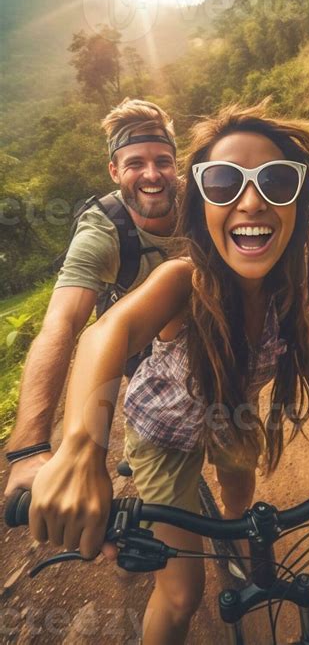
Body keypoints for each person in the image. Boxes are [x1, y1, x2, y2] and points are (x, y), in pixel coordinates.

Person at [28, 102, 309, 645]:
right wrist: (79, 449)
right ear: (202, 206)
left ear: (300, 200)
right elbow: (103, 334)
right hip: (161, 436)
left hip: (234, 411)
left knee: (240, 496)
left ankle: (236, 550)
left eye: (277, 181)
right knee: (181, 595)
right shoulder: (182, 279)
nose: (252, 201)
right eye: (223, 182)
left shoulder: (302, 274)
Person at [5, 98, 179, 497]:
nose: (152, 174)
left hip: (202, 331)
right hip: (139, 345)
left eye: (163, 161)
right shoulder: (102, 231)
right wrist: (29, 449)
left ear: (176, 165)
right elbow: (61, 323)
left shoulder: (202, 199)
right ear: (114, 171)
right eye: (135, 163)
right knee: (159, 457)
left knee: (234, 455)